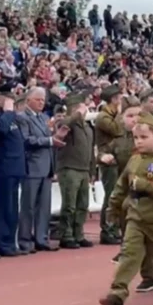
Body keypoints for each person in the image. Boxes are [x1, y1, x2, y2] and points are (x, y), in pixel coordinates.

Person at [98, 111, 153, 305]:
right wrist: (113, 207)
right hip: (136, 215)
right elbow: (121, 186)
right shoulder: (133, 161)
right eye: (136, 138)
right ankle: (118, 292)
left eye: (144, 137)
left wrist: (145, 185)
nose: (139, 142)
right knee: (129, 252)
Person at [17, 87, 64, 253]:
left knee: (44, 206)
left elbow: (48, 139)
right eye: (38, 99)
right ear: (28, 100)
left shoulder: (44, 117)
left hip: (46, 167)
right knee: (28, 206)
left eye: (43, 100)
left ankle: (41, 238)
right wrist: (50, 140)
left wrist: (57, 136)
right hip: (32, 166)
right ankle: (25, 240)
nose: (41, 103)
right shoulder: (22, 117)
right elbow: (27, 140)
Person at [0, 94, 27, 256]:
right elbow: (0, 130)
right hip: (4, 168)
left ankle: (10, 242)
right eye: (7, 100)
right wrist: (8, 112)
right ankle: (1, 243)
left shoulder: (10, 118)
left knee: (12, 209)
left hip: (15, 168)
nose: (11, 104)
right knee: (4, 208)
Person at [56, 93, 96, 249]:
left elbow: (91, 150)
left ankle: (78, 234)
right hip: (69, 168)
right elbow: (62, 124)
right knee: (69, 204)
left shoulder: (87, 127)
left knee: (82, 205)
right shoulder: (67, 123)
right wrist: (75, 115)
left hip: (84, 169)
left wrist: (92, 171)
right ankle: (66, 235)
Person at [95, 84, 124, 245]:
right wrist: (121, 115)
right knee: (111, 196)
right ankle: (107, 229)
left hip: (117, 159)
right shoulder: (103, 117)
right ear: (113, 100)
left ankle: (114, 228)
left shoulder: (110, 115)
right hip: (108, 160)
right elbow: (118, 130)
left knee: (117, 195)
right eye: (119, 99)